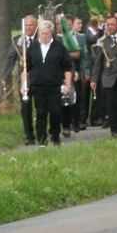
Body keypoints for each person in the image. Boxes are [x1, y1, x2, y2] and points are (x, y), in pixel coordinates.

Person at [25, 16, 75, 145]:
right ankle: (41, 139)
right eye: (42, 33)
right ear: (39, 33)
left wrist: (67, 84)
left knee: (55, 112)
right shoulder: (33, 47)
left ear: (51, 33)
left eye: (47, 33)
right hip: (37, 85)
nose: (44, 36)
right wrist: (24, 85)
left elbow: (67, 67)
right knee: (41, 112)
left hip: (54, 85)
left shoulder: (59, 47)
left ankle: (55, 134)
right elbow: (26, 68)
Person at [2, 15, 39, 144]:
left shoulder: (42, 39)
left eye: (31, 25)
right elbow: (10, 59)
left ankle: (42, 133)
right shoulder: (17, 41)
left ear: (36, 26)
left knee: (41, 107)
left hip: (39, 78)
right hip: (23, 80)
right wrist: (5, 76)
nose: (28, 28)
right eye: (26, 25)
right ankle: (29, 136)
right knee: (25, 108)